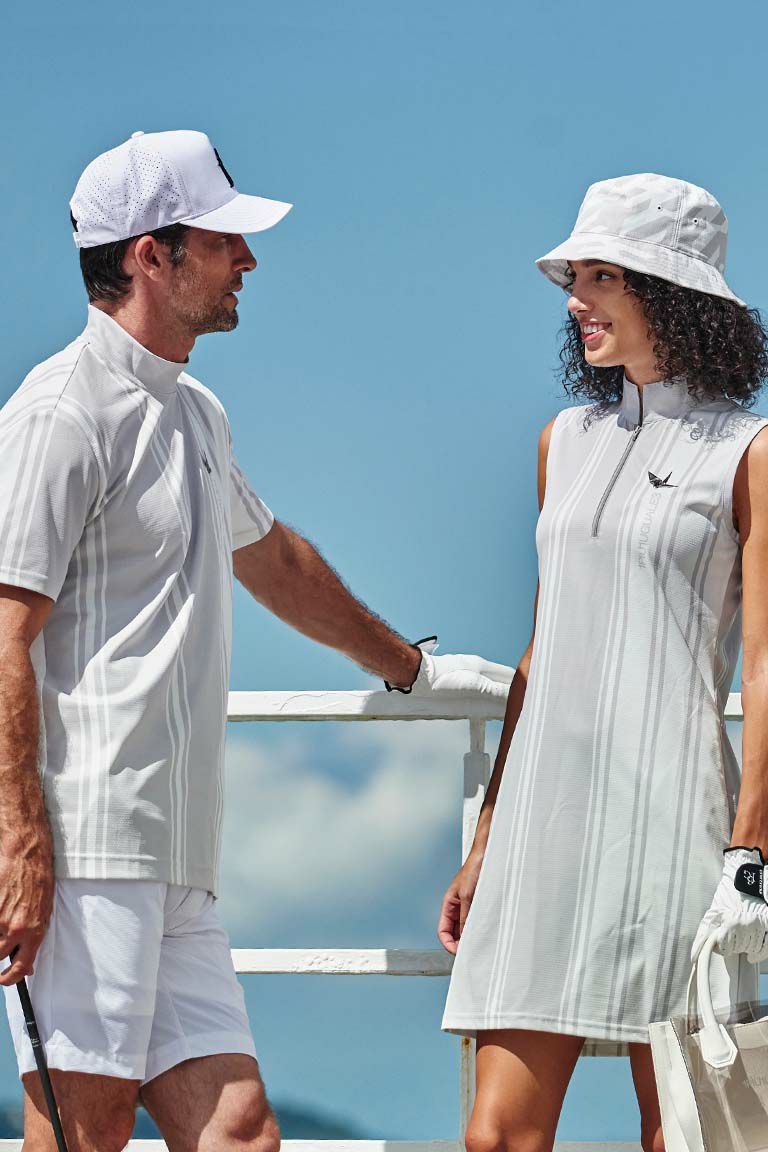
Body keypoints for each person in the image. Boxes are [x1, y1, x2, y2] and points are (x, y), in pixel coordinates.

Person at [0, 129, 511, 1152]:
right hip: (87, 850)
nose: (249, 259)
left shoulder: (194, 412)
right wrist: (18, 839)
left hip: (178, 855)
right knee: (85, 1133)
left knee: (240, 1133)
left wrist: (413, 669)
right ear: (151, 255)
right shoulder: (59, 414)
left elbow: (272, 558)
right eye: (223, 240)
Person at [438, 173, 768, 1152]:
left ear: (672, 291)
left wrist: (750, 853)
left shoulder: (749, 452)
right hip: (544, 819)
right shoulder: (564, 442)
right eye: (574, 278)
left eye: (601, 277)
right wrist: (488, 835)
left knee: (682, 1134)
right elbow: (543, 647)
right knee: (497, 1135)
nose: (576, 299)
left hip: (673, 824)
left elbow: (764, 663)